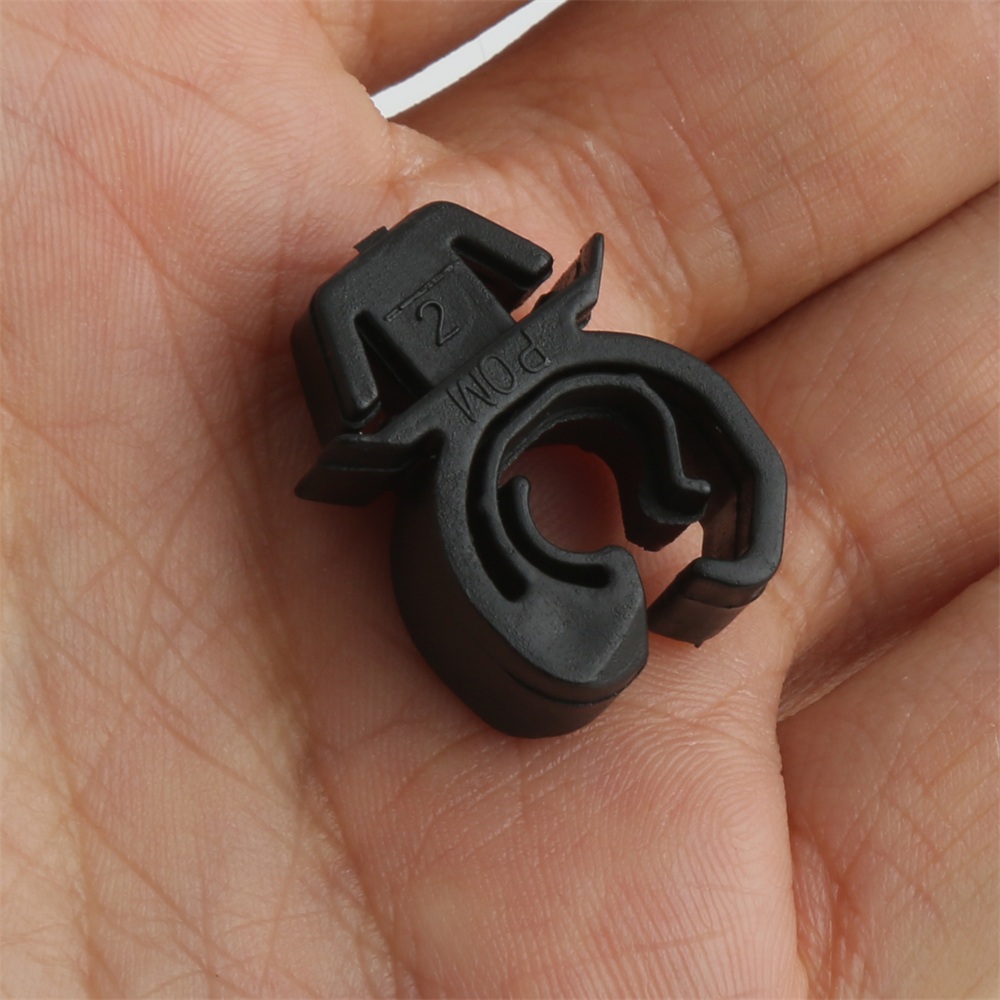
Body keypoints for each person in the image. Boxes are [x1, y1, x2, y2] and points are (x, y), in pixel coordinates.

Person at [3, 2, 996, 996]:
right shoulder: (352, 305)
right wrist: (388, 419)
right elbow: (428, 331)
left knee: (641, 414)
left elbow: (511, 269)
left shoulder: (417, 254)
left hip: (507, 379)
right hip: (460, 422)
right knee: (591, 437)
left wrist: (483, 339)